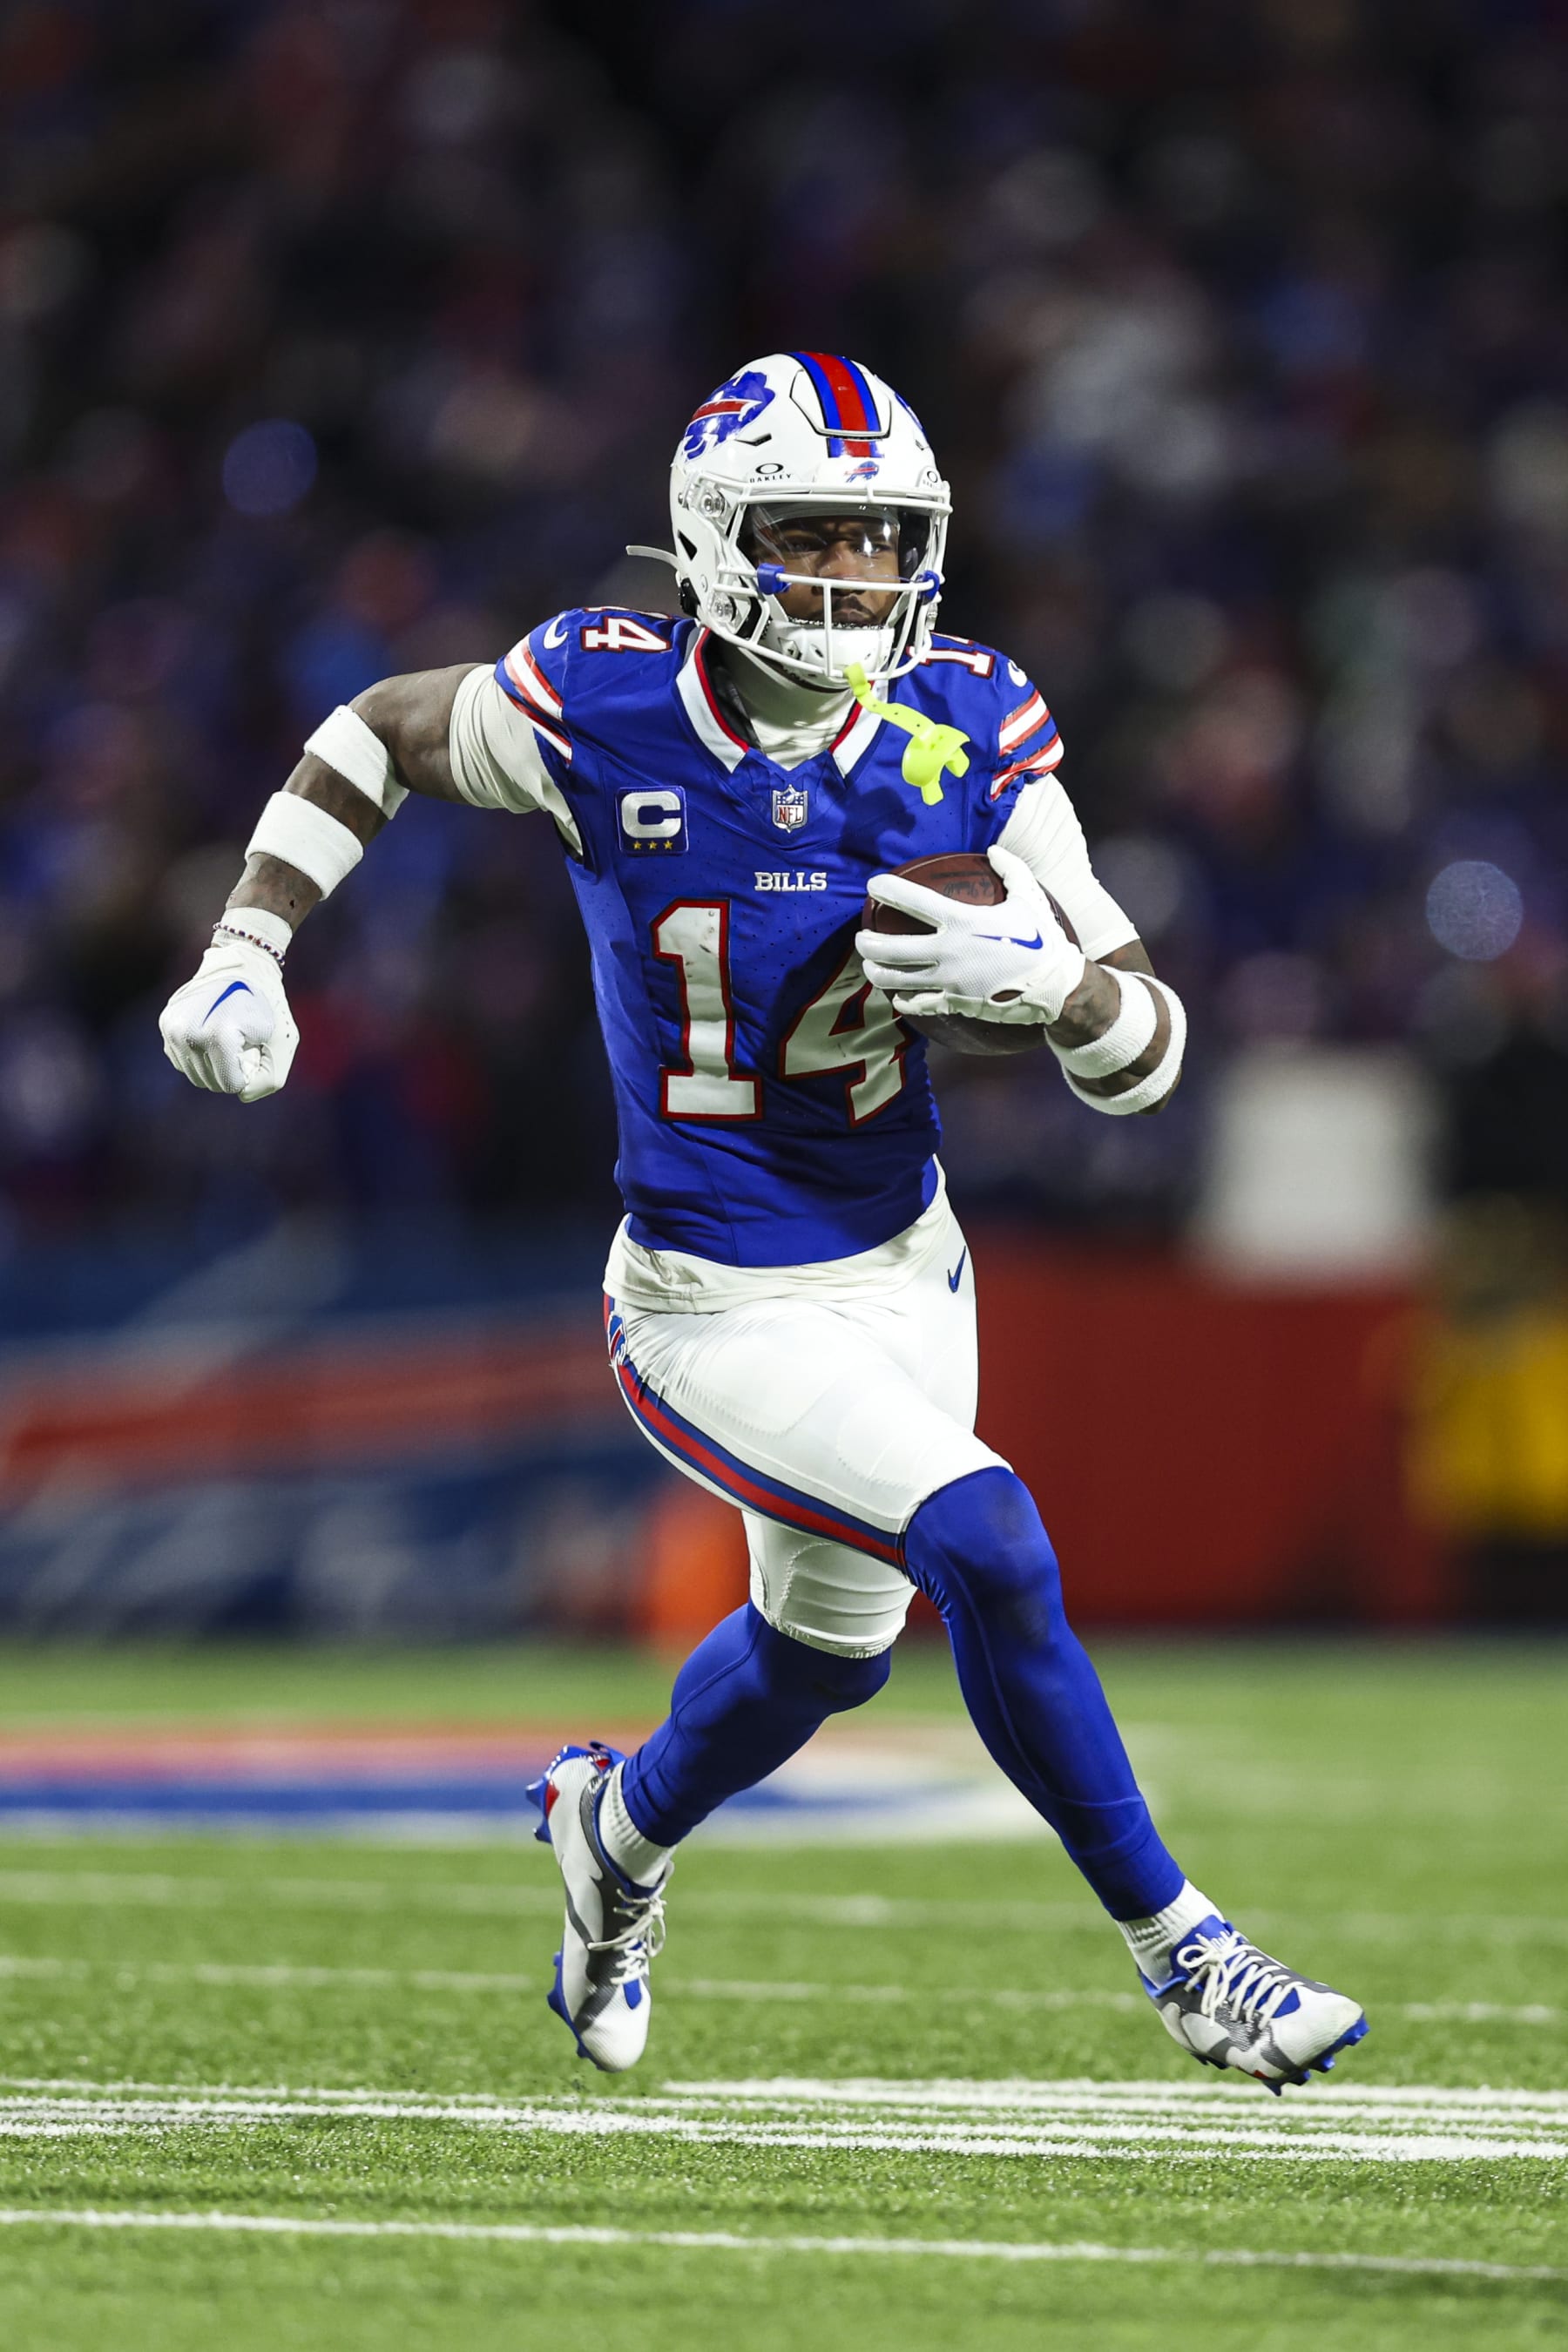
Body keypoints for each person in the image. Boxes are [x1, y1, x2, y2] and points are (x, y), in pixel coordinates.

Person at [159, 351, 1366, 2093]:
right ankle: (1190, 1956)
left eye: (886, 541)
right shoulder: (604, 700)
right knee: (989, 1538)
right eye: (816, 536)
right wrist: (250, 943)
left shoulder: (971, 727)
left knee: (821, 1660)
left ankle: (614, 1833)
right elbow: (375, 731)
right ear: (717, 537)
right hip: (711, 1296)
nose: (860, 578)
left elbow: (1150, 1050)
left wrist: (1061, 993)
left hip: (909, 1266)